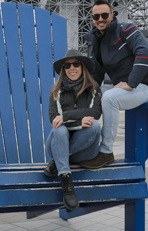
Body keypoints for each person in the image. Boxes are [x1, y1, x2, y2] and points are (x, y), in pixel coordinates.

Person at [81, 0, 148, 169]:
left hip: (145, 87)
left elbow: (145, 52)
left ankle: (106, 152)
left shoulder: (127, 29)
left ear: (112, 15)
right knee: (92, 95)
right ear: (92, 19)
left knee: (109, 98)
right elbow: (96, 73)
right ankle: (83, 147)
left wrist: (131, 83)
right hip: (124, 89)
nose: (100, 19)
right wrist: (85, 93)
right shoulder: (97, 43)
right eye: (96, 16)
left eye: (104, 15)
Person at [43, 49, 103, 210]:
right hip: (57, 140)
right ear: (64, 70)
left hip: (84, 152)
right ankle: (66, 182)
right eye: (67, 65)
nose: (72, 68)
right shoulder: (56, 92)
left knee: (95, 126)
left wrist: (68, 116)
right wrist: (78, 122)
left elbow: (94, 113)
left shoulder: (94, 89)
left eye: (76, 64)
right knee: (60, 130)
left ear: (82, 66)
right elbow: (55, 120)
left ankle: (57, 161)